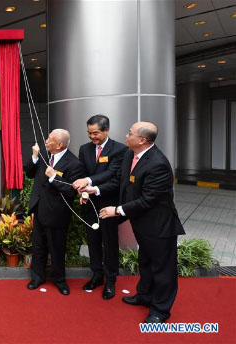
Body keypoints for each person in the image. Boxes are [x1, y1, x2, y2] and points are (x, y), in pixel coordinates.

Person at [82, 122, 185, 323]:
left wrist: (117, 210)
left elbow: (148, 200)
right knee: (145, 263)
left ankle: (160, 310)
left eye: (130, 133)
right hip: (141, 223)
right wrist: (94, 190)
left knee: (163, 270)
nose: (126, 135)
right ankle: (144, 295)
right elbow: (122, 183)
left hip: (159, 226)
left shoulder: (158, 164)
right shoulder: (131, 154)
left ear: (142, 140)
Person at [72, 114, 127, 300]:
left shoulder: (119, 150)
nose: (92, 137)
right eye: (89, 133)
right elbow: (82, 172)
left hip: (108, 204)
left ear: (106, 130)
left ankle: (111, 280)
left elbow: (114, 176)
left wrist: (91, 186)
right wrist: (85, 194)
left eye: (95, 133)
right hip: (90, 205)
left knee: (109, 243)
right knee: (93, 241)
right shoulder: (84, 149)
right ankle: (96, 275)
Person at [25, 129, 84, 295]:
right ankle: (37, 277)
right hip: (40, 208)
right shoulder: (44, 155)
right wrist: (34, 157)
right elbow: (29, 174)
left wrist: (53, 177)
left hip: (57, 213)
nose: (46, 141)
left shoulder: (74, 163)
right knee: (38, 246)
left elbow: (72, 191)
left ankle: (59, 280)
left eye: (49, 139)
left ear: (59, 145)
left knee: (57, 248)